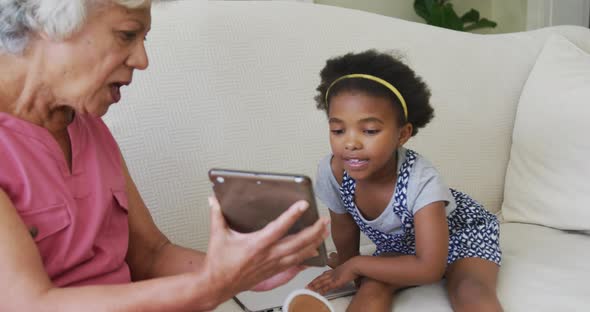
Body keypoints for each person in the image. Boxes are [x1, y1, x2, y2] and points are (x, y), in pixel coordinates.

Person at [0, 1, 329, 311]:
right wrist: (210, 285)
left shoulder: (87, 123)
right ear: (45, 22)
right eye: (127, 35)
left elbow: (152, 256)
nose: (142, 60)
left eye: (143, 39)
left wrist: (251, 270)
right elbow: (30, 305)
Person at [306, 50, 502, 312]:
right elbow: (343, 225)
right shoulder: (333, 172)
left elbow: (429, 269)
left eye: (370, 131)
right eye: (338, 130)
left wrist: (357, 265)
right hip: (402, 246)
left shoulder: (422, 182)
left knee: (470, 291)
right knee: (372, 287)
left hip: (461, 234)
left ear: (402, 134)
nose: (350, 143)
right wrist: (346, 265)